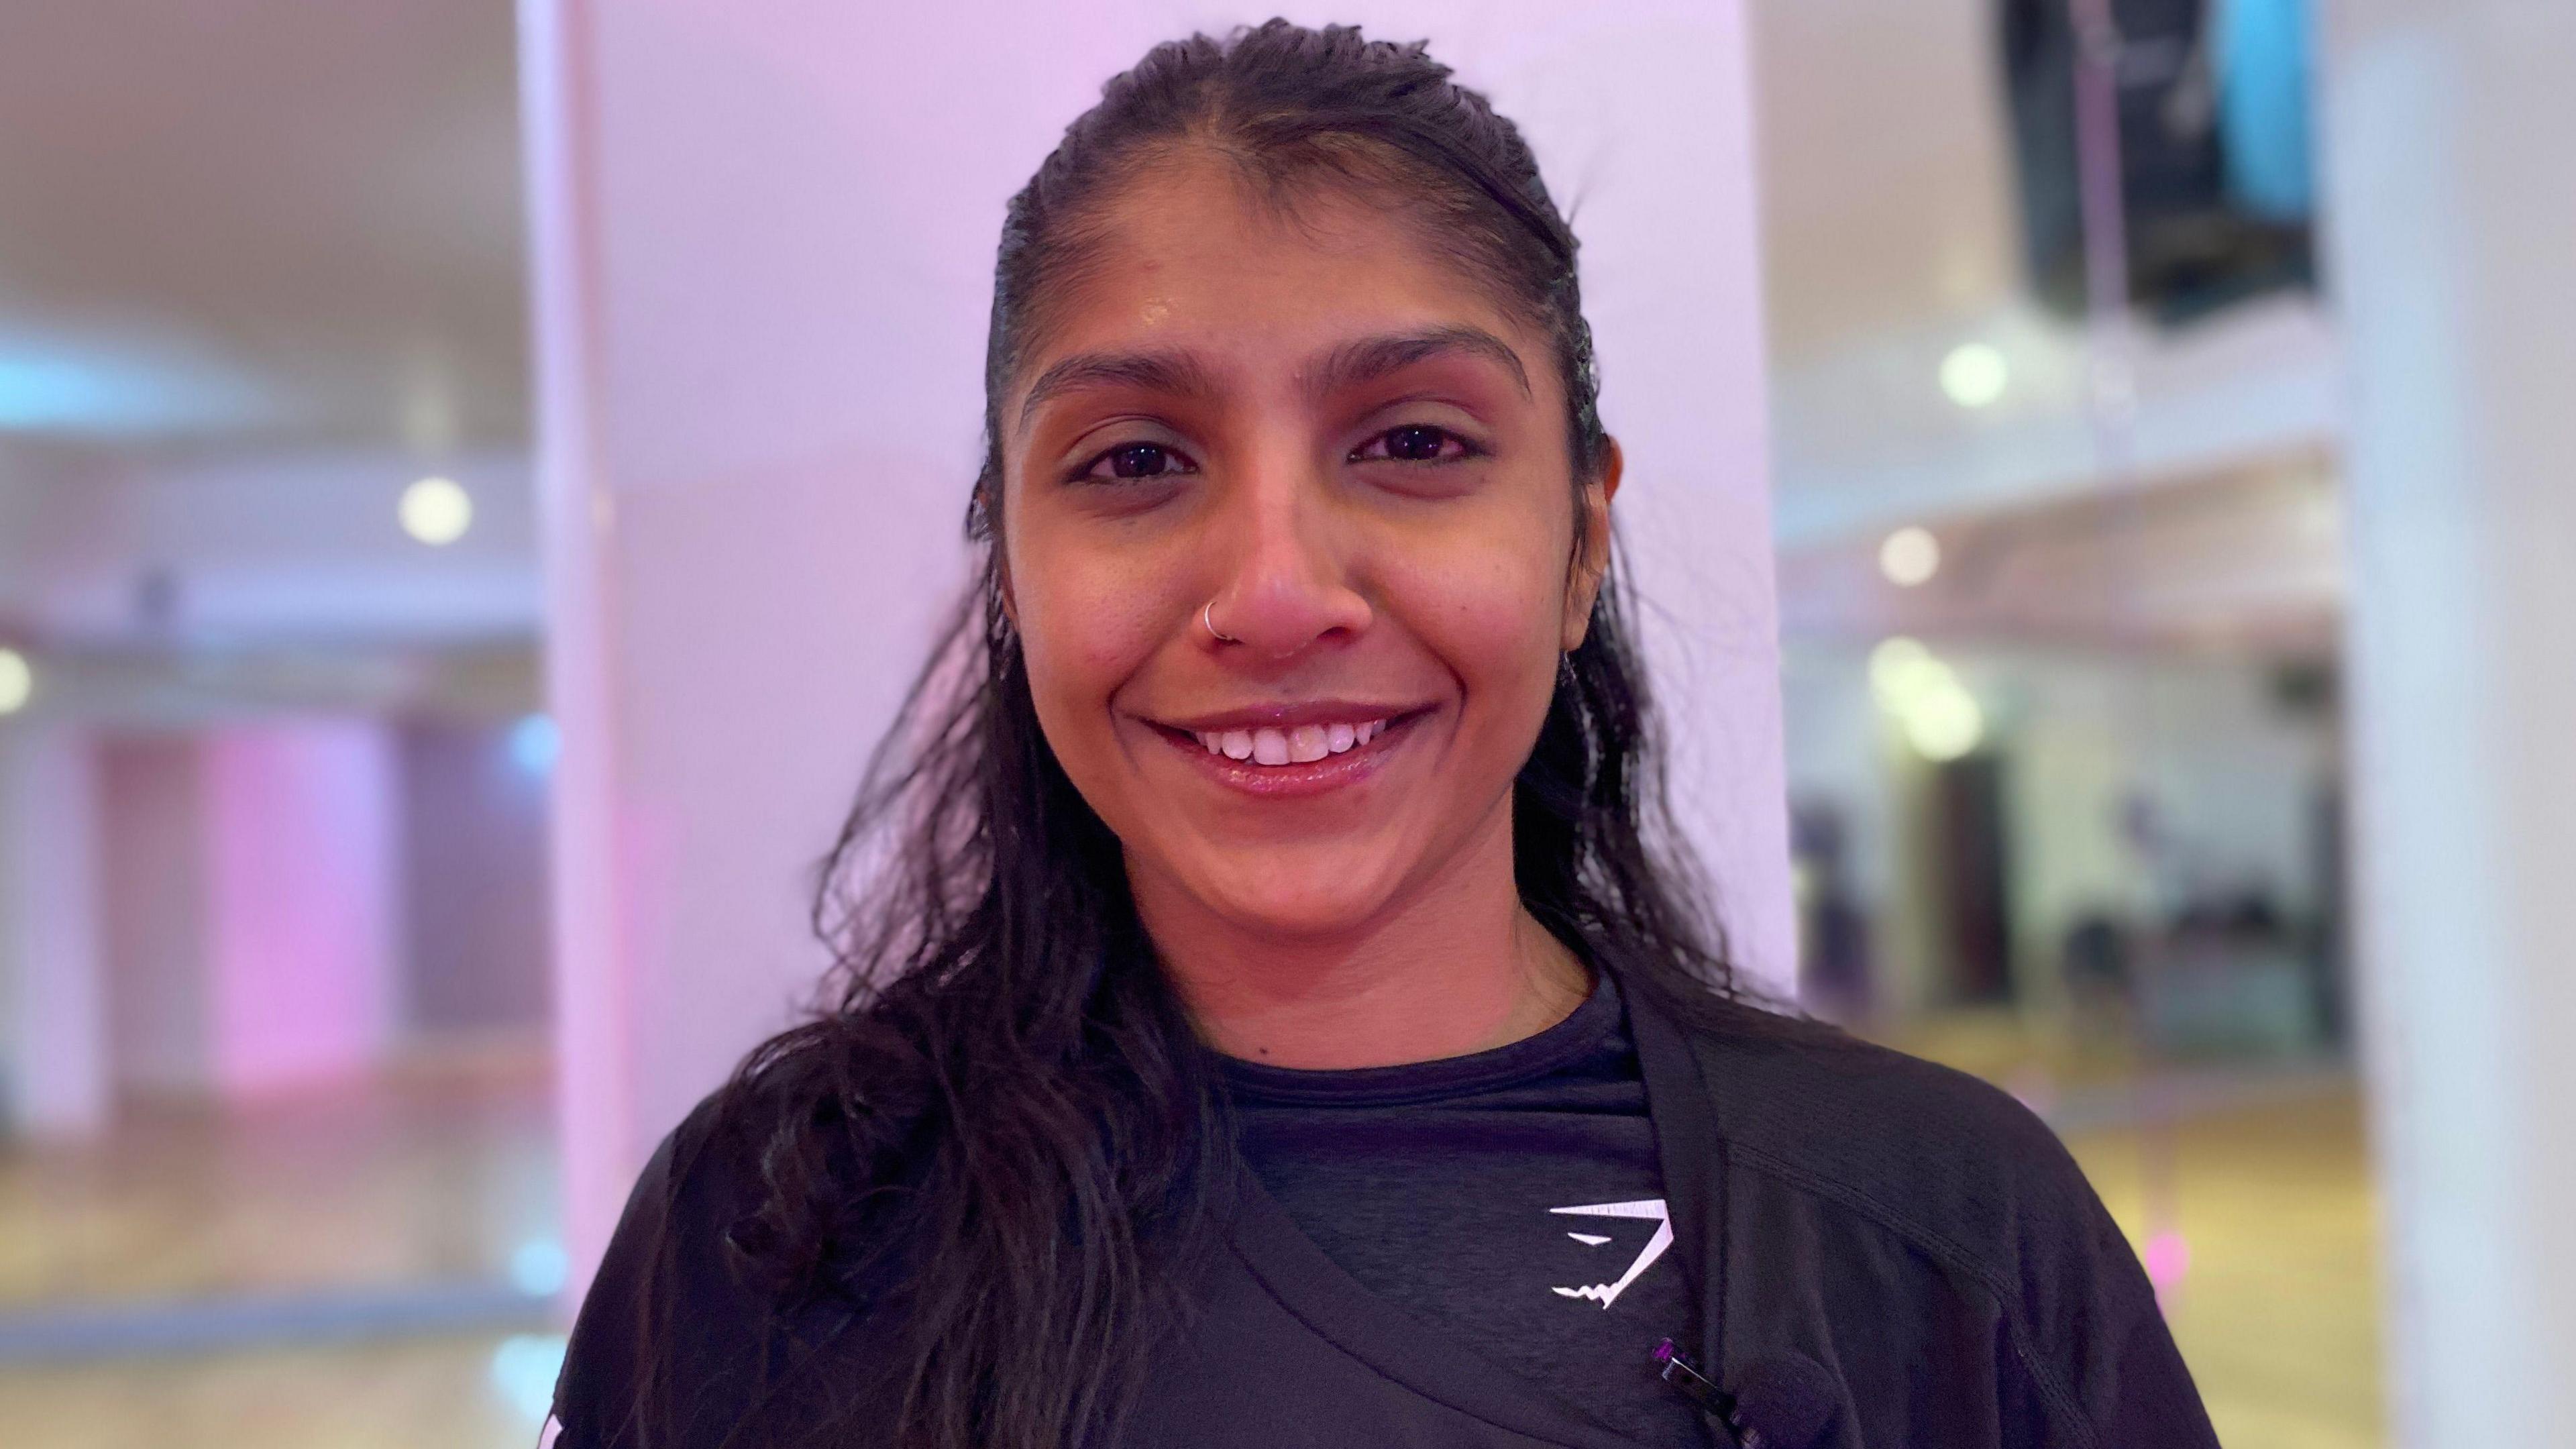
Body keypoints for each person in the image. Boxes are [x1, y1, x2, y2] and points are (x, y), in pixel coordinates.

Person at [549, 20, 2219, 1449]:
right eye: (1134, 462)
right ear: (1011, 567)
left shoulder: (1946, 1230)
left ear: (1579, 541)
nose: (1274, 594)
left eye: (1413, 440)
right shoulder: (775, 1225)